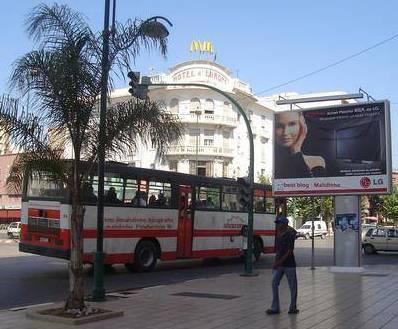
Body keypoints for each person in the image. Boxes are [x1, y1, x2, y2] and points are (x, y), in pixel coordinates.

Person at [274, 111, 326, 178]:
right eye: (279, 126)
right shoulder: (274, 163)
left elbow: (314, 186)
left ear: (302, 126)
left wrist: (296, 149)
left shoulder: (316, 161)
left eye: (292, 124)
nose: (285, 132)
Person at [266, 216, 299, 315]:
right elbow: (279, 251)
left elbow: (289, 251)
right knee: (274, 283)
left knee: (292, 286)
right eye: (277, 223)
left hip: (289, 264)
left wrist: (278, 262)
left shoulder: (289, 234)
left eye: (279, 223)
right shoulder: (279, 234)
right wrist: (276, 262)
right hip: (279, 264)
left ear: (285, 224)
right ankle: (275, 307)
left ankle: (292, 307)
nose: (277, 225)